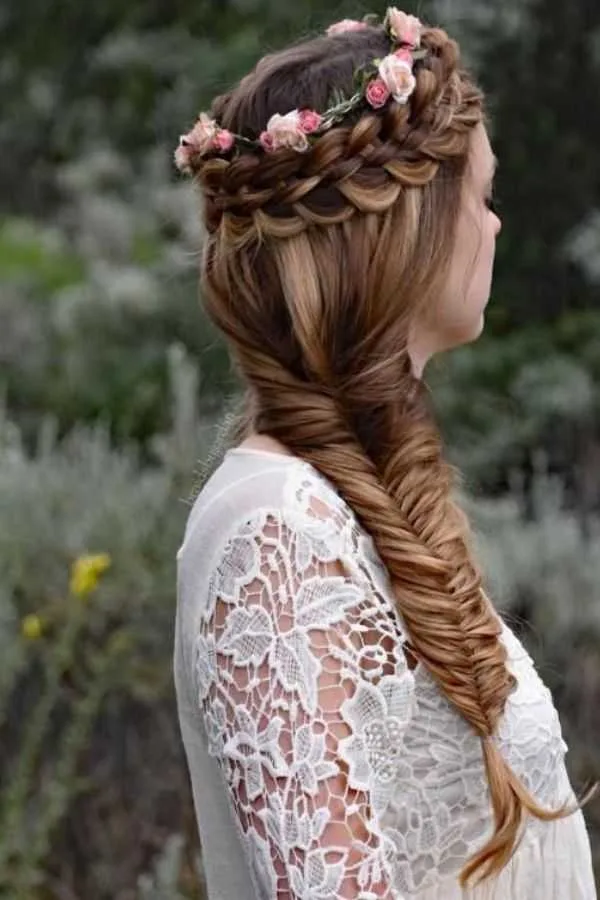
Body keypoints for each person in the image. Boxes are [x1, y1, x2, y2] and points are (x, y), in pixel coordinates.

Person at [173, 9, 596, 899]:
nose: (495, 226)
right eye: (480, 197)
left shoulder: (347, 505)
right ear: (405, 225)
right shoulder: (274, 530)